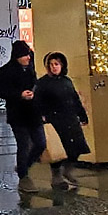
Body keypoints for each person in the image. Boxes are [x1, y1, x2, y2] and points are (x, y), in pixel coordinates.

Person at [34, 51, 90, 189]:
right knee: (58, 151)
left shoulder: (67, 81)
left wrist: (82, 115)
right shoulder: (43, 83)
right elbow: (38, 102)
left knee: (76, 148)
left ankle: (68, 171)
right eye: (51, 64)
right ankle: (57, 176)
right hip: (55, 120)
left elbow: (75, 99)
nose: (54, 67)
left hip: (70, 119)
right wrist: (42, 117)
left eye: (57, 64)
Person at [0, 40, 44, 191]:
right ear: (17, 56)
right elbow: (1, 92)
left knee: (40, 143)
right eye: (25, 55)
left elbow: (35, 85)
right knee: (23, 145)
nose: (28, 58)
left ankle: (24, 166)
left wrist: (34, 94)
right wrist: (19, 95)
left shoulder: (30, 69)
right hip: (18, 114)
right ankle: (24, 177)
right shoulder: (5, 71)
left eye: (29, 54)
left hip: (34, 113)